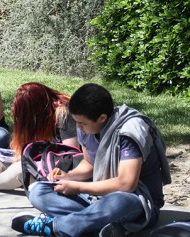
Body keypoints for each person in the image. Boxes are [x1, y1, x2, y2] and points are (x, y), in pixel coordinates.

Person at [11, 83, 171, 237]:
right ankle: (102, 227)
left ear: (102, 118)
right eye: (77, 122)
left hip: (139, 202)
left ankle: (57, 227)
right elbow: (89, 164)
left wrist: (79, 187)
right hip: (99, 200)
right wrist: (68, 176)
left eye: (82, 123)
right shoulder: (86, 128)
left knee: (120, 200)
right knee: (39, 191)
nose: (78, 128)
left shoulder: (129, 131)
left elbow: (126, 184)